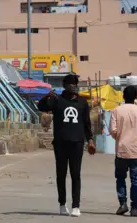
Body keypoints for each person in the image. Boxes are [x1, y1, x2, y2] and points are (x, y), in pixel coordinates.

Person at [38, 74, 96, 217]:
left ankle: (76, 206)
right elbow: (41, 107)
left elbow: (87, 123)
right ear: (64, 85)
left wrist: (90, 140)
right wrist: (46, 98)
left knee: (76, 174)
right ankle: (62, 204)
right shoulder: (57, 100)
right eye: (70, 83)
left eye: (75, 84)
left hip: (77, 143)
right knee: (61, 174)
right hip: (60, 143)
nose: (73, 86)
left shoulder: (83, 102)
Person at [109, 85, 137, 217]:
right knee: (136, 180)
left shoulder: (116, 110)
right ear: (136, 97)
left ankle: (122, 204)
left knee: (120, 178)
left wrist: (120, 138)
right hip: (136, 151)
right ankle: (134, 208)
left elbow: (113, 130)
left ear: (123, 96)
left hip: (121, 150)